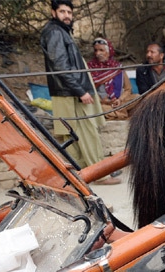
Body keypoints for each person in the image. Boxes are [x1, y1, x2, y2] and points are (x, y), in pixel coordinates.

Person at [40, 0, 119, 185]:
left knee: (73, 134)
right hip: (71, 93)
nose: (67, 15)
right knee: (86, 131)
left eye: (69, 12)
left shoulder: (60, 31)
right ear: (53, 13)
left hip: (69, 91)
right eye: (62, 11)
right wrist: (80, 91)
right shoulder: (54, 32)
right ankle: (99, 173)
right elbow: (60, 66)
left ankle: (83, 173)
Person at [88, 37, 139, 120]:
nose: (98, 53)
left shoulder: (118, 67)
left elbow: (128, 89)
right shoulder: (90, 68)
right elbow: (90, 90)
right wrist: (103, 101)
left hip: (120, 101)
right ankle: (122, 113)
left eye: (101, 50)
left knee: (138, 97)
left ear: (109, 52)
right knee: (97, 108)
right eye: (96, 50)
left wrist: (120, 99)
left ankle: (115, 113)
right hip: (102, 103)